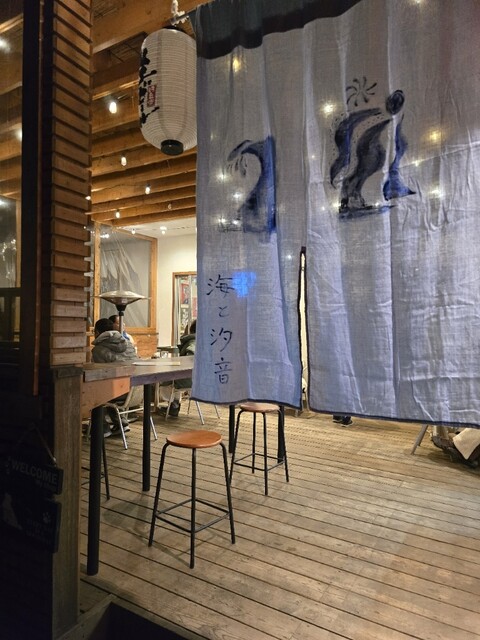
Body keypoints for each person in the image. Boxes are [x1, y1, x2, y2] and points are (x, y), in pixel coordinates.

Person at [92, 317, 137, 436]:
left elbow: (100, 375)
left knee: (95, 393)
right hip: (135, 390)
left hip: (118, 392)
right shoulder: (128, 344)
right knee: (110, 387)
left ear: (97, 332)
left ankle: (103, 429)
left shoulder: (98, 349)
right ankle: (121, 423)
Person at [157, 320, 196, 418]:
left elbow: (190, 357)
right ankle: (174, 405)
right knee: (174, 379)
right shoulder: (204, 343)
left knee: (166, 379)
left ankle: (174, 405)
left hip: (189, 379)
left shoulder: (192, 342)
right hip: (198, 379)